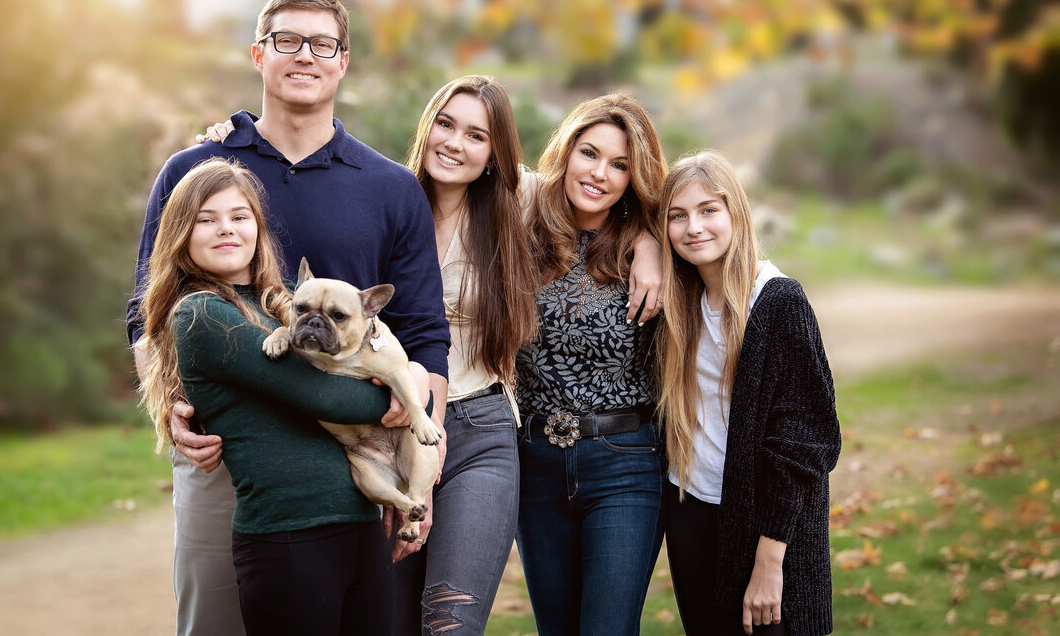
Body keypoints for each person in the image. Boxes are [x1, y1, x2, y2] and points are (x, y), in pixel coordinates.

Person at [199, 77, 665, 635]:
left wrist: (650, 242)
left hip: (481, 428)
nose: (455, 143)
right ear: (426, 127)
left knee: (452, 622)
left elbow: (607, 193)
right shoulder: (379, 194)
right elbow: (286, 261)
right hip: (382, 422)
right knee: (386, 619)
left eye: (477, 135)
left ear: (496, 153)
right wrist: (233, 137)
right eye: (445, 124)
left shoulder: (517, 202)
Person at [125, 0, 450, 636]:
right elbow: (146, 311)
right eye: (286, 40)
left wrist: (422, 471)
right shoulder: (196, 169)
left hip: (352, 464)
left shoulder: (391, 187)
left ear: (343, 61)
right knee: (215, 619)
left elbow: (423, 333)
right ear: (258, 54)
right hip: (230, 449)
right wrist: (174, 409)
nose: (304, 54)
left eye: (322, 43)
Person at [140, 158, 427, 635]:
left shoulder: (285, 299)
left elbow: (368, 349)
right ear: (180, 234)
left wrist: (409, 376)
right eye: (205, 220)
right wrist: (406, 396)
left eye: (239, 216)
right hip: (288, 534)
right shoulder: (202, 313)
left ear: (258, 227)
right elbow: (329, 398)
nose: (225, 229)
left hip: (355, 517)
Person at [656, 150, 841, 636]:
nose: (693, 227)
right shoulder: (681, 303)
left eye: (708, 210)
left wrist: (769, 561)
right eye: (677, 216)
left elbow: (806, 442)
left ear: (736, 213)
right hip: (691, 508)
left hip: (765, 529)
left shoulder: (778, 301)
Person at [514, 93, 668, 636]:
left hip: (623, 462)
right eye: (589, 153)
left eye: (620, 164)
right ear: (565, 152)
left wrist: (649, 242)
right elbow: (456, 164)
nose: (600, 173)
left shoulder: (649, 248)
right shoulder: (520, 228)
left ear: (634, 177)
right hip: (533, 464)